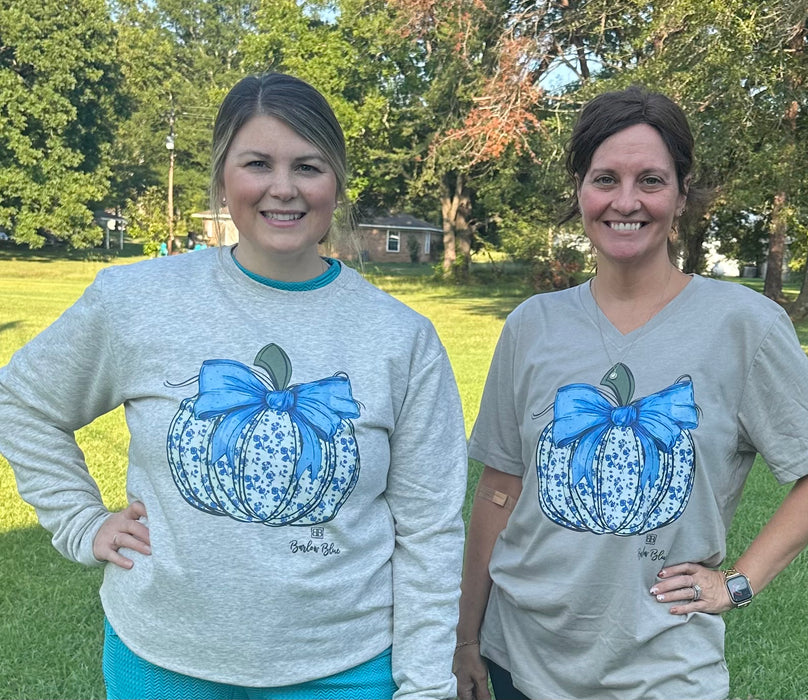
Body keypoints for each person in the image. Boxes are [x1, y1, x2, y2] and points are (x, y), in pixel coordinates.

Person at [0, 72, 467, 699]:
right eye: (257, 163)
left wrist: (426, 685)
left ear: (336, 181)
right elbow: (22, 401)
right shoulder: (136, 301)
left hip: (346, 666)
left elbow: (431, 530)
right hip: (162, 658)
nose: (283, 188)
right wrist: (81, 522)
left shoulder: (402, 339)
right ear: (223, 176)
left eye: (308, 165)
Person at [453, 86, 808, 700]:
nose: (626, 201)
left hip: (663, 669)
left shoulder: (742, 325)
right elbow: (499, 489)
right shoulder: (532, 325)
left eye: (650, 180)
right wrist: (465, 637)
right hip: (519, 658)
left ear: (681, 193)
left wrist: (738, 582)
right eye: (604, 178)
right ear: (580, 190)